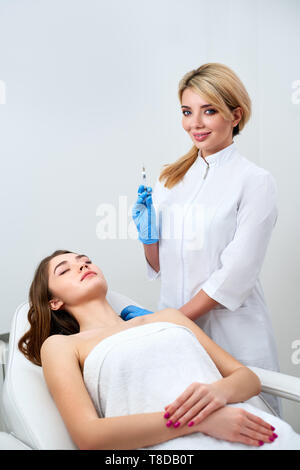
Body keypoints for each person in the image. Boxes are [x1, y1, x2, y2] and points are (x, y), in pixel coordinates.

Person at [18, 250, 300, 450]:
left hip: (251, 429)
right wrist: (201, 422)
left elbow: (247, 379)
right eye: (65, 269)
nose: (82, 266)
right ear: (54, 302)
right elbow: (89, 437)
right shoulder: (62, 346)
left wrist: (219, 392)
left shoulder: (167, 318)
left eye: (86, 261)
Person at [127, 62, 281, 416]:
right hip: (177, 333)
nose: (194, 123)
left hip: (233, 335)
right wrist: (148, 237)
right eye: (187, 111)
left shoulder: (255, 181)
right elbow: (160, 265)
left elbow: (235, 275)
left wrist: (171, 321)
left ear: (235, 115)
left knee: (251, 427)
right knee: (190, 426)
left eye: (208, 111)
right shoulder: (172, 179)